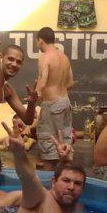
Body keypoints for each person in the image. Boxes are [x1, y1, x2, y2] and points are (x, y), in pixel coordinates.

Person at [36, 26, 74, 170]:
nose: (38, 45)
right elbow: (70, 82)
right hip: (66, 102)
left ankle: (49, 180)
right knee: (65, 145)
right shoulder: (64, 57)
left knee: (49, 147)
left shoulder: (44, 57)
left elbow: (43, 80)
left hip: (52, 105)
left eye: (37, 42)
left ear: (40, 40)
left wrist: (36, 96)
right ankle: (65, 177)